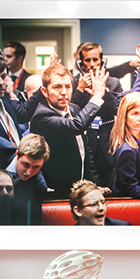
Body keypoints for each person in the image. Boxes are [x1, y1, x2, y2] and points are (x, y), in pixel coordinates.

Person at [30, 61, 108, 196]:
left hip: (80, 189)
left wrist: (92, 185)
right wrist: (96, 97)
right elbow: (76, 126)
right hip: (56, 192)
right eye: (57, 87)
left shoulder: (74, 108)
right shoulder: (41, 116)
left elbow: (85, 151)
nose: (64, 92)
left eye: (68, 86)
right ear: (44, 91)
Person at [72, 42, 124, 188]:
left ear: (102, 60)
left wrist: (104, 91)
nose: (92, 64)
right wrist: (79, 91)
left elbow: (118, 110)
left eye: (95, 59)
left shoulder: (113, 83)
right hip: (85, 146)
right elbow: (71, 111)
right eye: (87, 60)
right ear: (80, 63)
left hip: (108, 145)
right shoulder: (74, 83)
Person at [2, 133, 52, 225]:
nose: (28, 172)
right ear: (17, 154)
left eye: (36, 167)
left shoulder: (39, 185)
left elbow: (32, 221)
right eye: (26, 164)